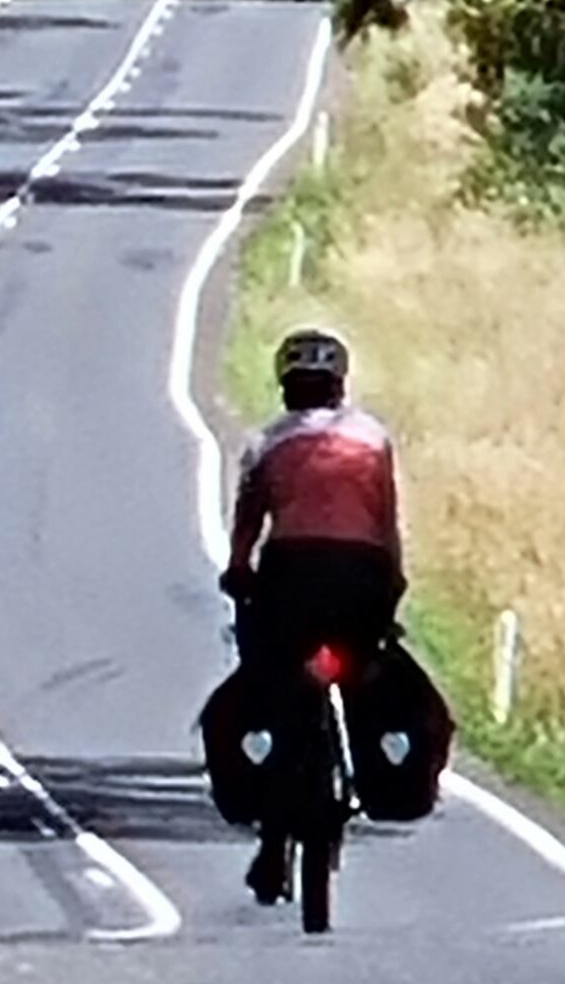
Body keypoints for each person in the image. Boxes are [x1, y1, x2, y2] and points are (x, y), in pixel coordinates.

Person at [219, 327, 405, 904]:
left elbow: (248, 526)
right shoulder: (373, 439)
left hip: (292, 576)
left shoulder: (267, 442)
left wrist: (237, 571)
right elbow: (386, 521)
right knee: (371, 666)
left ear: (285, 387)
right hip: (362, 575)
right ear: (339, 385)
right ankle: (374, 755)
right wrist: (391, 585)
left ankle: (273, 843)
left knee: (273, 684)